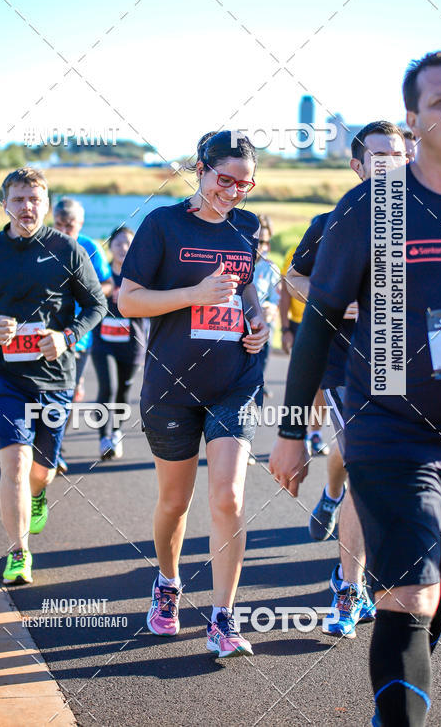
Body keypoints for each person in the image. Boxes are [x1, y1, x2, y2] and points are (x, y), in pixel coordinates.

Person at [270, 50, 441, 727]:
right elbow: (319, 321)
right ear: (415, 121)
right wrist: (292, 431)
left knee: (437, 592)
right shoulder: (374, 207)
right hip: (390, 428)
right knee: (409, 599)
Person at [118, 130, 269, 658]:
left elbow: (246, 284)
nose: (231, 192)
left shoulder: (247, 226)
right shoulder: (162, 223)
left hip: (235, 380)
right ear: (198, 168)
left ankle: (224, 618)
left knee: (228, 497)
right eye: (223, 179)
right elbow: (128, 301)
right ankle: (166, 582)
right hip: (171, 385)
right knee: (175, 502)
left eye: (244, 185)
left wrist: (257, 318)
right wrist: (194, 294)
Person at [286, 121, 406, 638]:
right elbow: (291, 277)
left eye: (398, 154)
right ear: (356, 166)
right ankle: (347, 587)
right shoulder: (331, 220)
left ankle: (338, 510)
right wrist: (333, 299)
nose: (389, 163)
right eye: (378, 155)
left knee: (380, 469)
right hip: (342, 362)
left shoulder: (420, 223)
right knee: (358, 459)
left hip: (397, 360)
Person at [0, 168, 107, 585]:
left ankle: (38, 494)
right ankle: (19, 554)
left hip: (54, 377)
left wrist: (66, 336)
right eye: (18, 199)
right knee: (15, 460)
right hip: (2, 377)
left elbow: (97, 306)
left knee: (41, 470)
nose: (26, 207)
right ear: (5, 204)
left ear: (46, 204)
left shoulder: (68, 249)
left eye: (34, 199)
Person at [52, 198, 113, 472]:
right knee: (42, 393)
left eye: (71, 226)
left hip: (79, 335)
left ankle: (55, 451)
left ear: (81, 224)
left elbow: (108, 285)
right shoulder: (41, 244)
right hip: (43, 331)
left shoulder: (89, 247)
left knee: (64, 394)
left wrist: (89, 293)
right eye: (59, 225)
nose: (65, 231)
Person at [91, 226, 146, 460]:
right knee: (108, 387)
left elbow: (152, 305)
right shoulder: (101, 277)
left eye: (128, 243)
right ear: (110, 246)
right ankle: (104, 438)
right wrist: (104, 293)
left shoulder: (142, 275)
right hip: (103, 342)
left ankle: (116, 432)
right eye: (119, 243)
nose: (123, 247)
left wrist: (132, 296)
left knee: (123, 392)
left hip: (131, 344)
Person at [281, 244, 327, 455]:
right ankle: (293, 435)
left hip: (328, 322)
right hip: (300, 323)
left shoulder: (341, 241)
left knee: (323, 386)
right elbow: (285, 291)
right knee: (303, 382)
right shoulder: (298, 249)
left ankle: (314, 433)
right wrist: (285, 329)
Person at [252, 215, 280, 388]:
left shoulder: (271, 269)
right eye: (256, 240)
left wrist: (271, 308)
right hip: (233, 328)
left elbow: (276, 300)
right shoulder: (234, 262)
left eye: (263, 242)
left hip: (260, 329)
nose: (259, 246)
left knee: (256, 377)